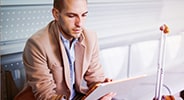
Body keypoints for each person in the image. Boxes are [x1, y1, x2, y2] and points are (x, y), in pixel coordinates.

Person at [14, 0, 116, 99]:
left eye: (84, 15)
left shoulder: (91, 37)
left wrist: (102, 90)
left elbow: (95, 78)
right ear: (56, 14)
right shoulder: (37, 44)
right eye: (72, 16)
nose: (79, 23)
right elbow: (46, 95)